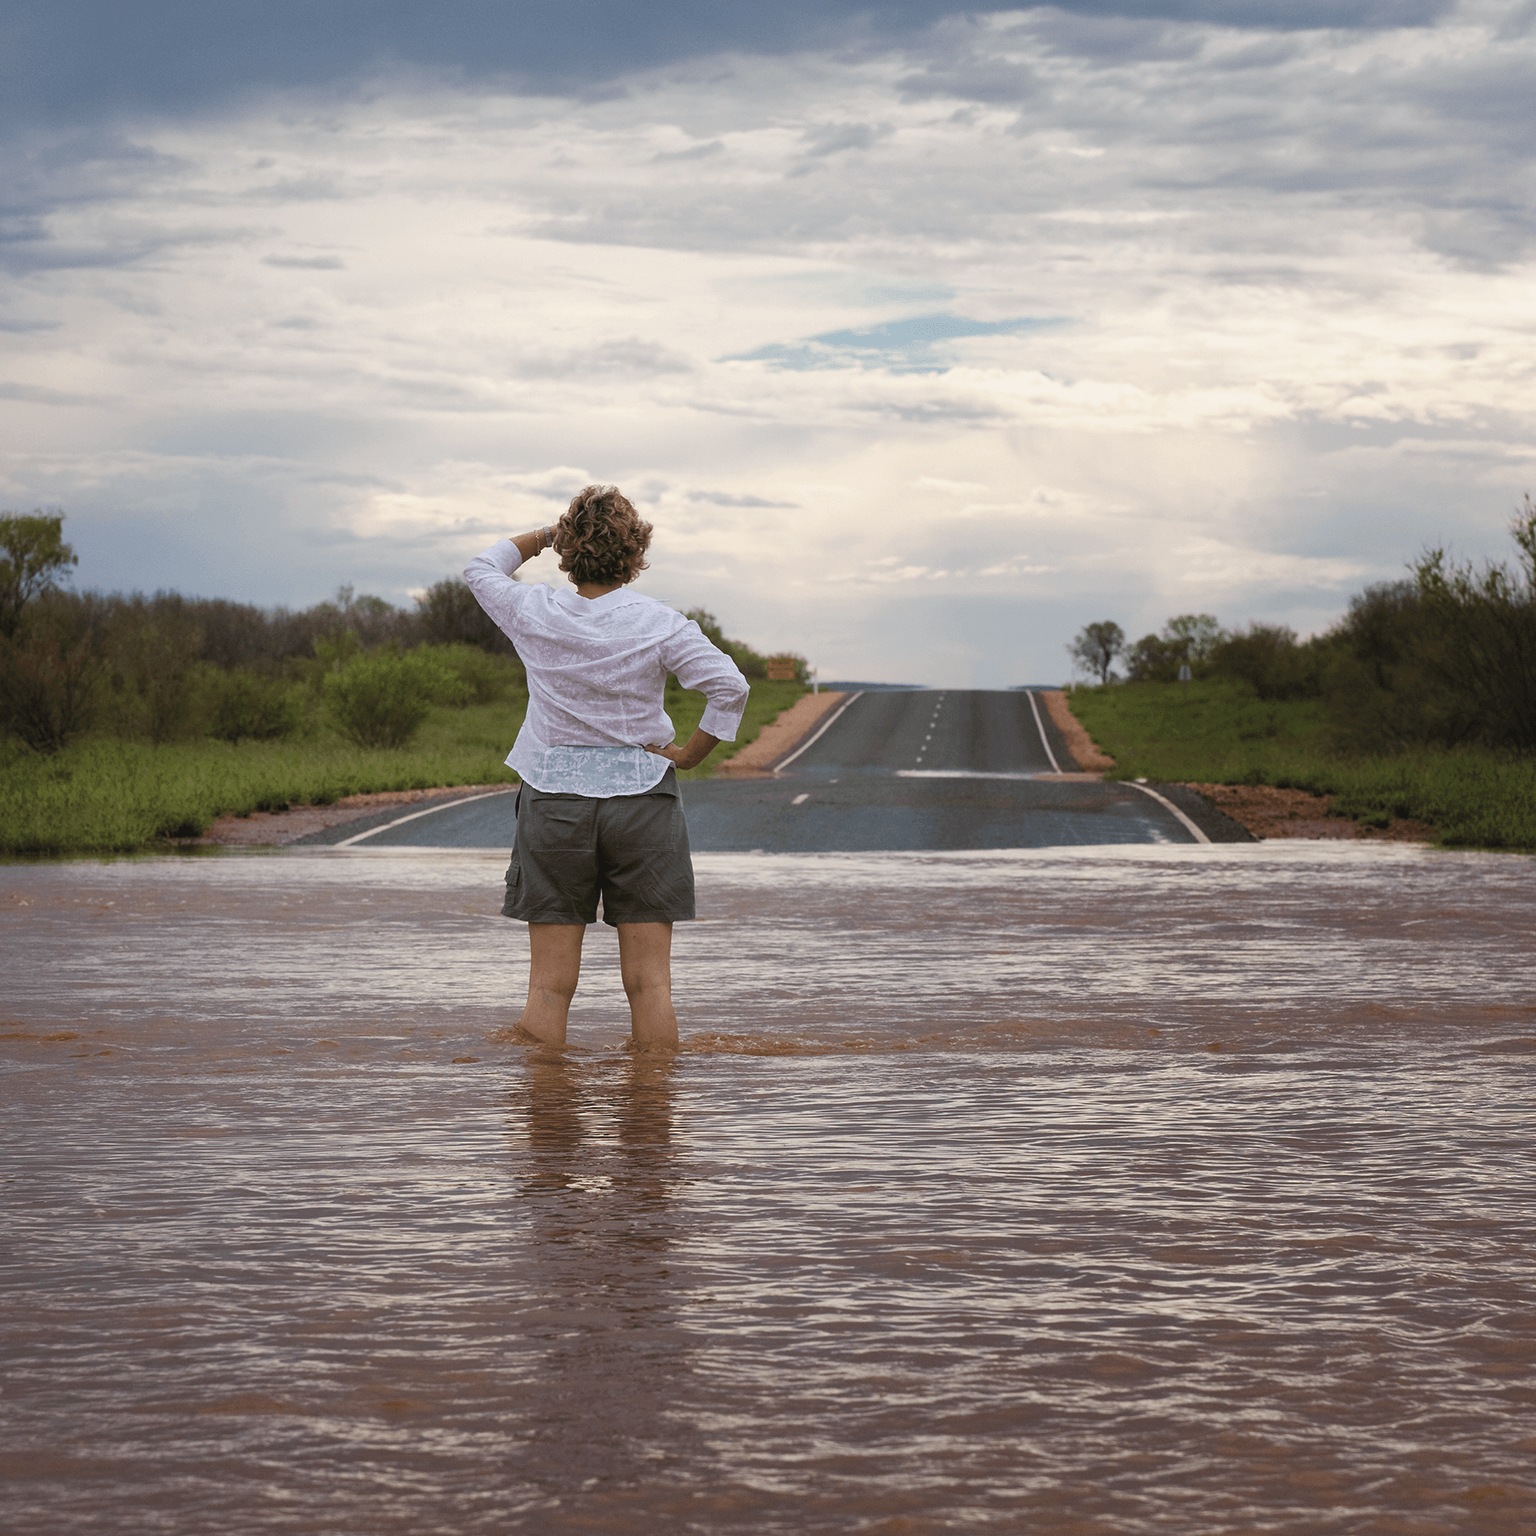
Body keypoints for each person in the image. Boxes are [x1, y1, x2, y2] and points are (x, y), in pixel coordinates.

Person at [464, 484, 749, 1051]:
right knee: (650, 985)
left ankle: (548, 1126)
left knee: (548, 988)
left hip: (553, 800)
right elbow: (730, 687)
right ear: (636, 553)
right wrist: (690, 756)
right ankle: (651, 1122)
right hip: (644, 801)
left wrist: (547, 535)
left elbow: (481, 568)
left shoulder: (533, 610)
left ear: (571, 553)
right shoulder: (661, 623)